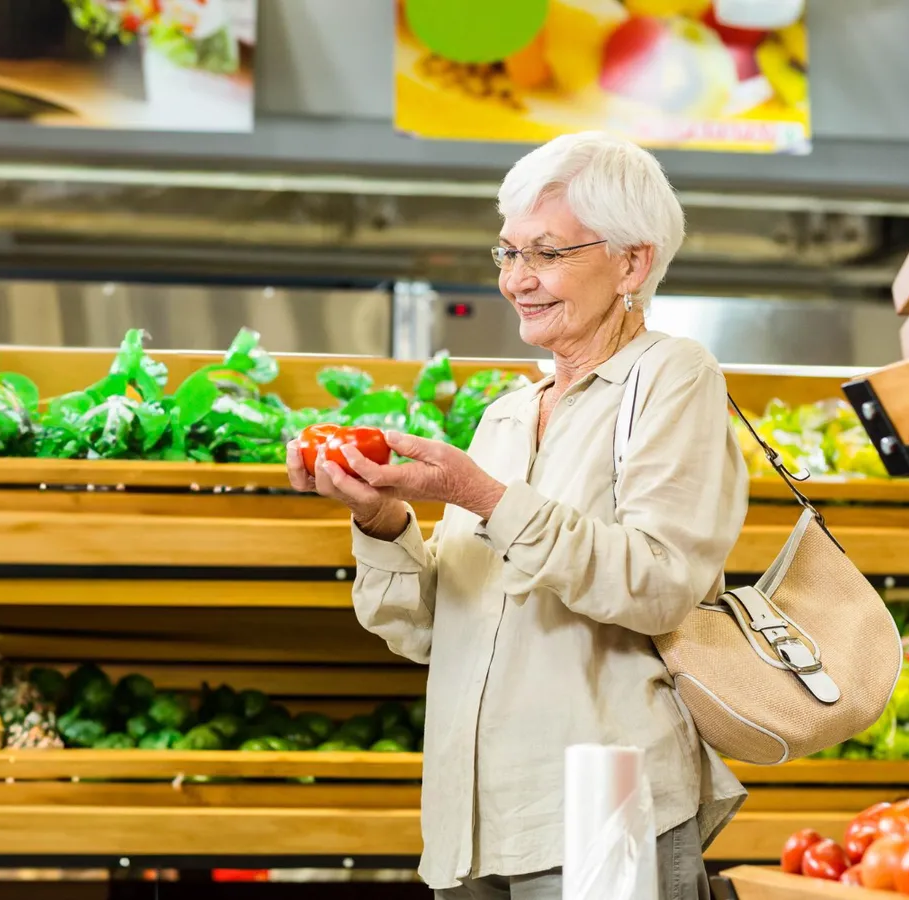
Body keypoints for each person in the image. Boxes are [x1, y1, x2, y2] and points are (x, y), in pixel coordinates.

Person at [285, 131, 749, 900]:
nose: (518, 280)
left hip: (605, 807)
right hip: (473, 823)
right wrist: (382, 521)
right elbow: (436, 631)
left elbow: (661, 584)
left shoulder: (672, 376)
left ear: (632, 261)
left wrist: (482, 497)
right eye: (507, 254)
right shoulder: (505, 415)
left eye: (547, 254)